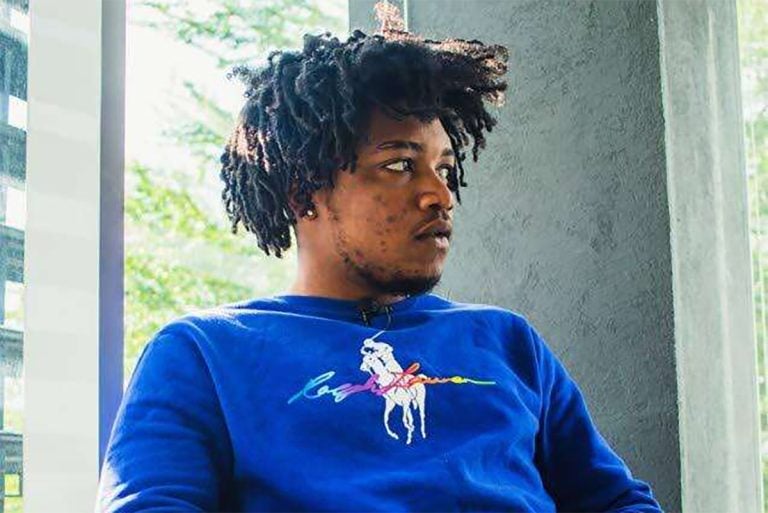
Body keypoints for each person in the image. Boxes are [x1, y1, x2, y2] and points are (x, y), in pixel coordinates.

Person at [96, 2, 664, 512]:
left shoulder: (508, 343)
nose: (440, 196)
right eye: (399, 165)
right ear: (303, 193)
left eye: (445, 169)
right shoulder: (203, 353)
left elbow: (620, 503)